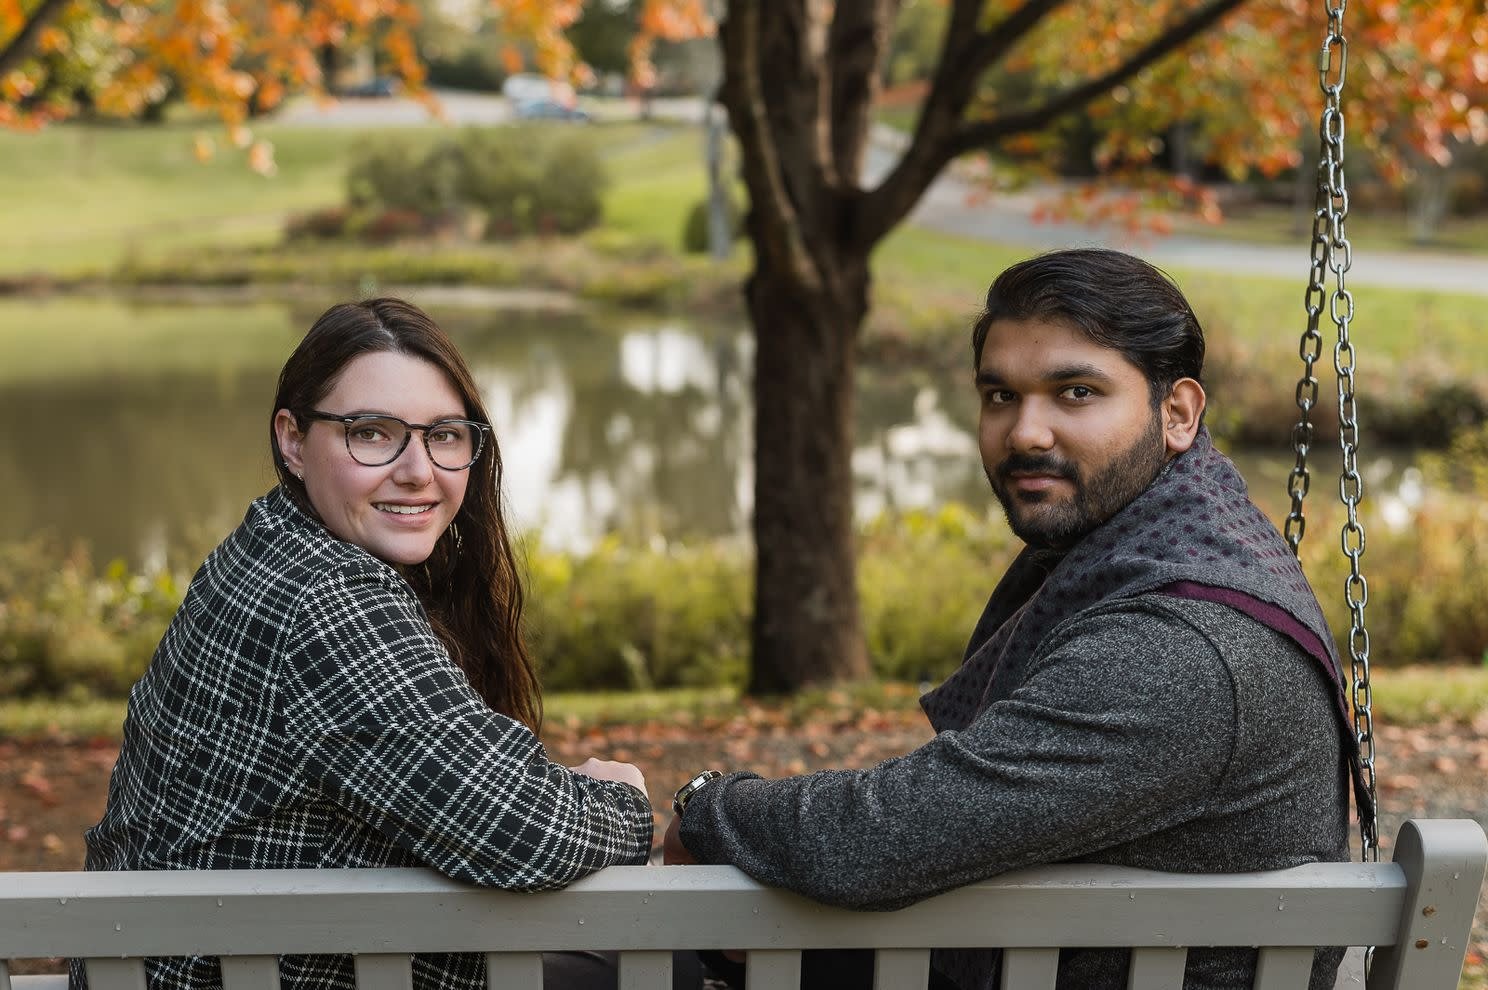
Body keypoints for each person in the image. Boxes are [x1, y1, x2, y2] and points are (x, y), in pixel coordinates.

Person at [665, 249, 1361, 990]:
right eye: (1000, 396)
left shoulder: (1177, 648)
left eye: (1076, 392)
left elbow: (887, 833)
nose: (1026, 432)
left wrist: (708, 809)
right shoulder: (1188, 540)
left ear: (1178, 413)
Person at [74, 298, 656, 990]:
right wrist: (627, 805)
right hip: (240, 975)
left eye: (443, 435)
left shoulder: (270, 544)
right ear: (292, 440)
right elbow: (522, 830)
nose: (418, 471)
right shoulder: (330, 599)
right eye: (373, 434)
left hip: (186, 965)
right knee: (659, 962)